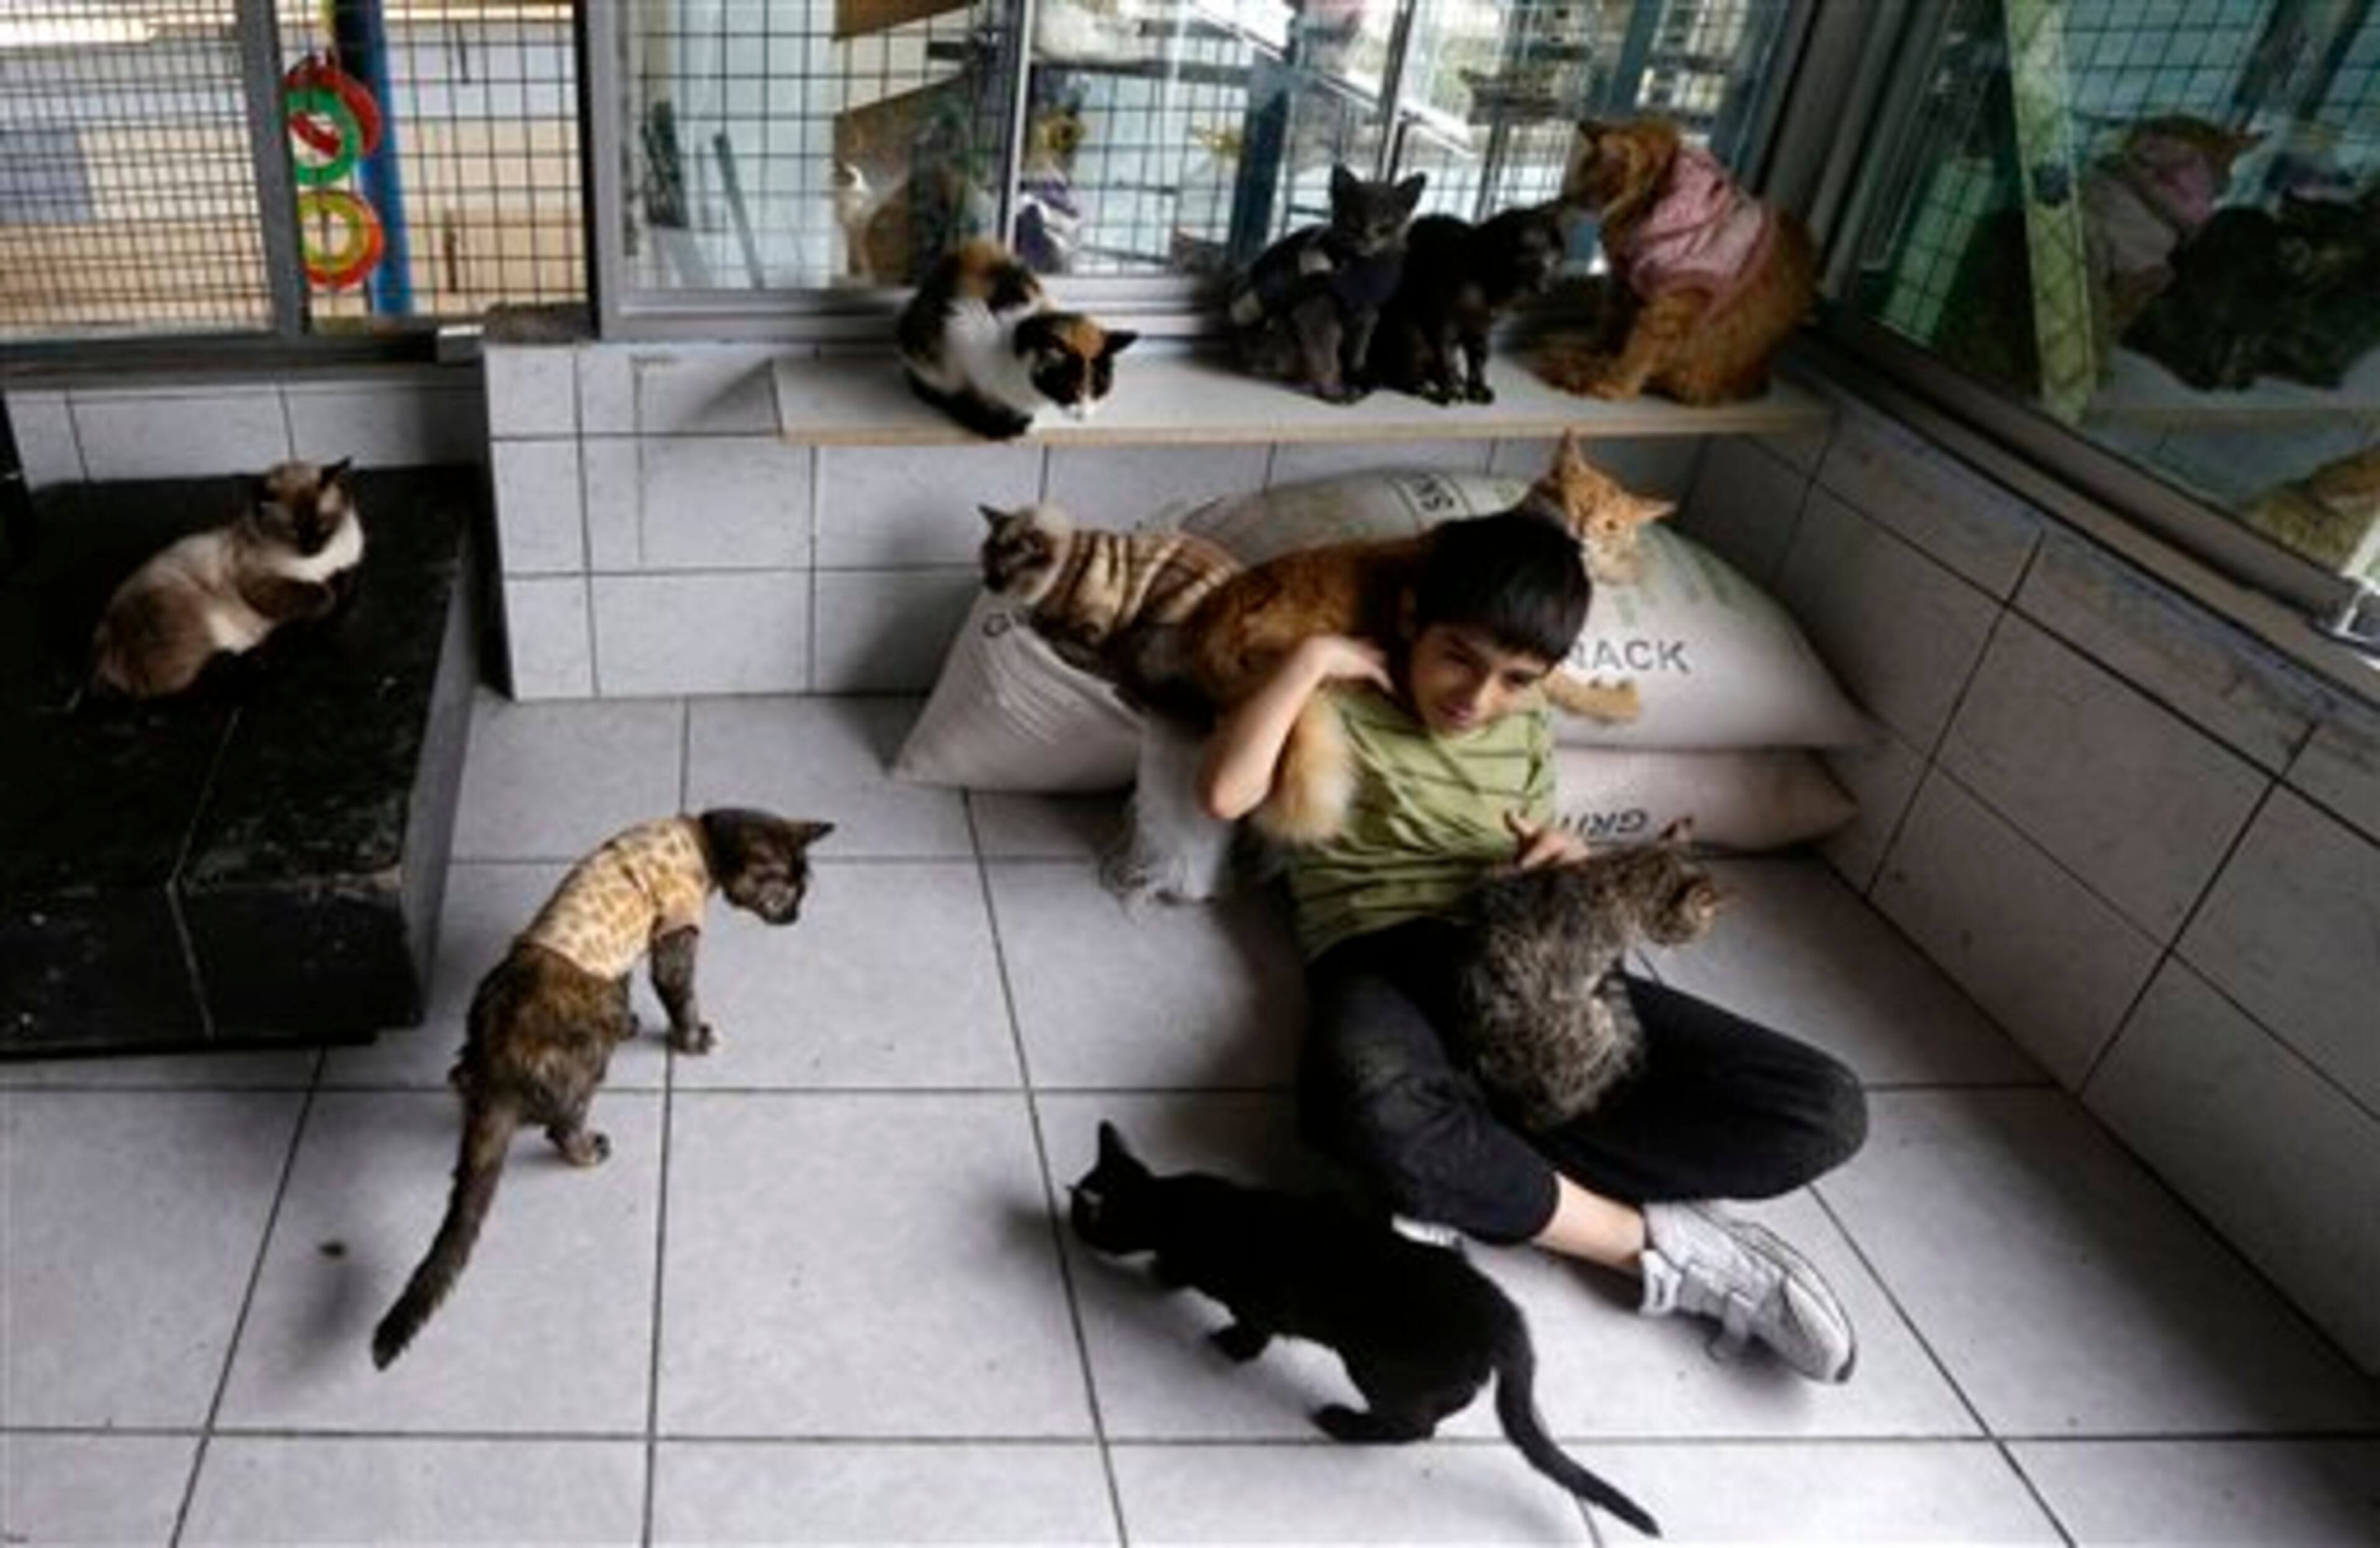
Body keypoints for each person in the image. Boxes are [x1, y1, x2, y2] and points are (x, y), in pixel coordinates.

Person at [1197, 509, 1869, 1383]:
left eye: (1516, 678)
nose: (1477, 698)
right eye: (1458, 658)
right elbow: (1225, 791)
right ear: (1408, 619)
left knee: (1822, 1108)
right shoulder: (1338, 706)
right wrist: (1310, 659)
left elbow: (1536, 843)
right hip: (1381, 954)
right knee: (1356, 1111)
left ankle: (1478, 1164)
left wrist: (1563, 860)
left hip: (1525, 963)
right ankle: (1659, 1250)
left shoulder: (1522, 731)